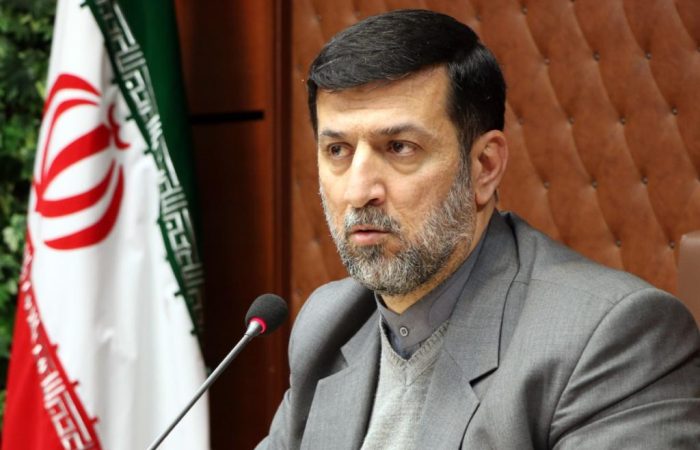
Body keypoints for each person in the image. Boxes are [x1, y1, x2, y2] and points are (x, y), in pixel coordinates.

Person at [257, 9, 700, 449]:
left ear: (484, 166)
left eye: (399, 148)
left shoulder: (608, 338)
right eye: (338, 150)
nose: (358, 191)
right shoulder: (329, 323)